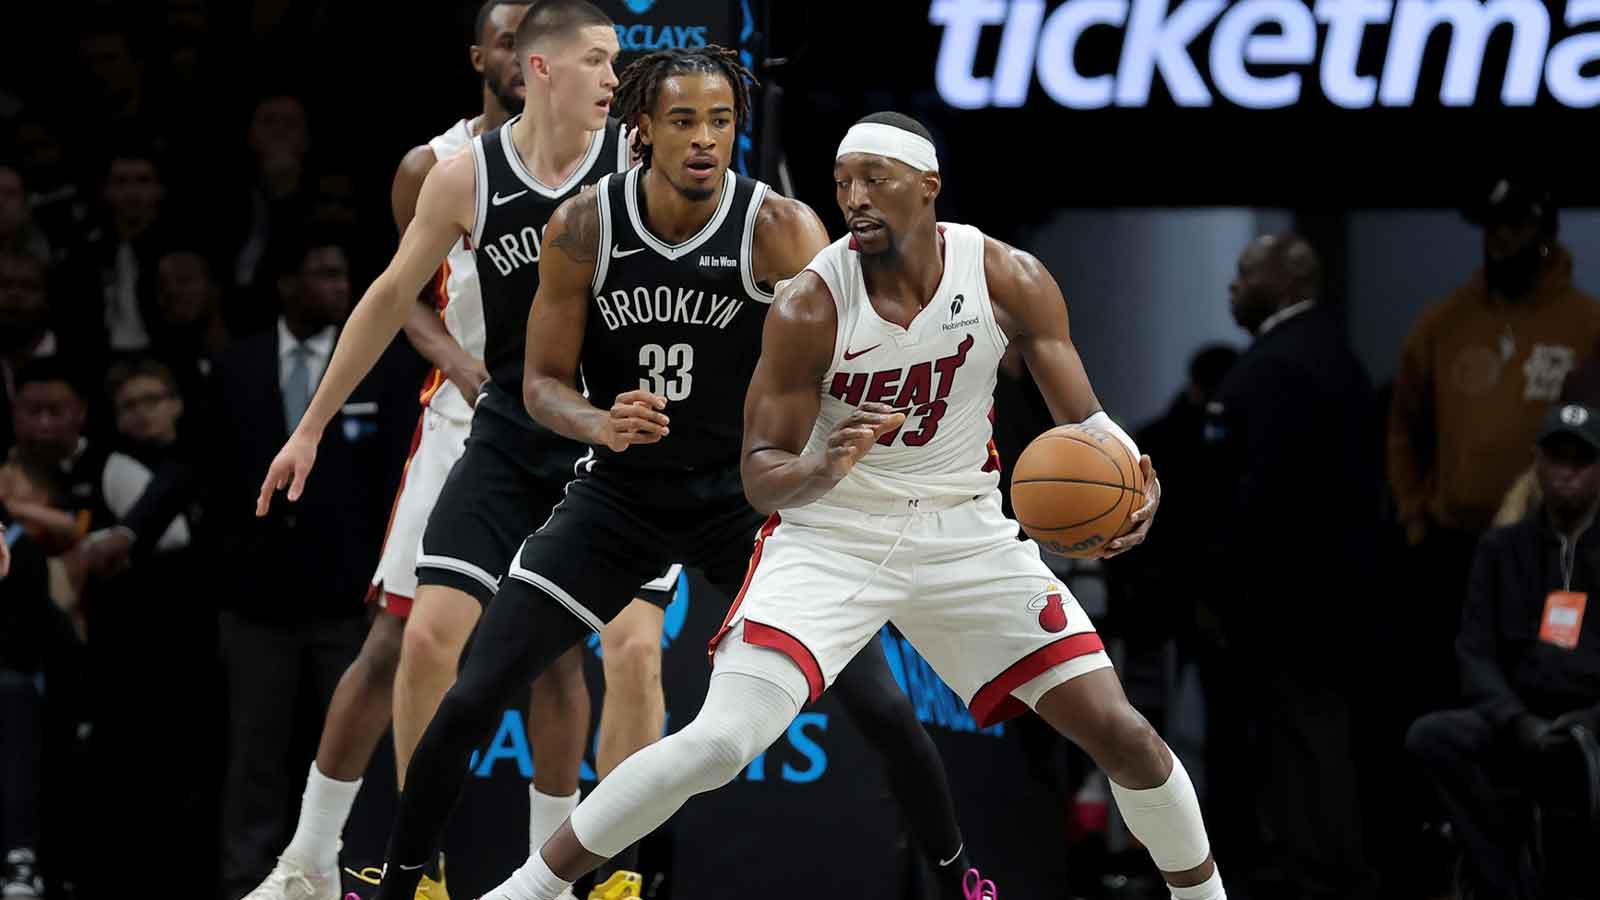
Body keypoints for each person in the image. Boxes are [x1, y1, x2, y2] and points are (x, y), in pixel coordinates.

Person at [486, 112, 1223, 900]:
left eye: (876, 178)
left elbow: (1090, 427)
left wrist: (1139, 486)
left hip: (965, 536)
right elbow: (760, 477)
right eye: (843, 183)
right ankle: (524, 893)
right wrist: (824, 463)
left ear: (929, 186)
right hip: (831, 537)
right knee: (720, 742)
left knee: (1125, 736)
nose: (855, 197)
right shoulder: (812, 304)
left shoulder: (1007, 276)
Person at [368, 64, 980, 900]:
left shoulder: (779, 227)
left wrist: (851, 453)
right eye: (684, 121)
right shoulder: (585, 225)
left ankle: (956, 879)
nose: (704, 139)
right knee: (476, 689)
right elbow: (541, 382)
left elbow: (841, 360)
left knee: (879, 702)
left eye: (721, 121)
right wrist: (599, 421)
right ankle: (404, 882)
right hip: (620, 497)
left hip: (745, 501)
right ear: (642, 131)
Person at [252, 4, 668, 898]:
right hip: (505, 428)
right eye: (599, 59)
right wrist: (312, 425)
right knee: (421, 635)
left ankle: (595, 874)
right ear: (532, 65)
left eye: (618, 61)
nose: (615, 76)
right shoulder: (454, 173)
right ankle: (408, 869)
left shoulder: (641, 161)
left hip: (615, 440)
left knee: (628, 651)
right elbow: (389, 296)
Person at [207, 229, 414, 900]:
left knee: (349, 753)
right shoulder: (235, 366)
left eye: (340, 273)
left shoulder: (383, 365)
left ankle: (348, 876)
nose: (336, 286)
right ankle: (248, 880)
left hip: (346, 600)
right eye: (320, 272)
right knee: (255, 757)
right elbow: (212, 483)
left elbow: (396, 481)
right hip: (256, 603)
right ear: (285, 283)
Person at [1203, 235, 1380, 899]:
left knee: (1305, 744)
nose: (1231, 286)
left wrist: (1223, 587)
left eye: (1245, 273)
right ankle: (1322, 869)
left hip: (1286, 601)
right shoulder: (1334, 355)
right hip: (1329, 594)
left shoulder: (1281, 366)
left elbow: (1262, 498)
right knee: (1312, 740)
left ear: (1284, 282)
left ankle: (1323, 876)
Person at [1388, 177, 1600, 707]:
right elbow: (1402, 428)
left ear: (1544, 229)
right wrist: (1416, 518)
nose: (1501, 238)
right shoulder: (1444, 322)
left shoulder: (1586, 323)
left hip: (1550, 545)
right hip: (1452, 544)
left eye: (1516, 224)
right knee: (1442, 688)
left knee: (1548, 682)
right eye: (1492, 226)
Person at [1406, 401, 1600, 900]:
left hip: (1591, 726)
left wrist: (1587, 724)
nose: (1568, 472)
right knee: (1432, 737)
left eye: (1581, 459)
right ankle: (1506, 886)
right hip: (1517, 720)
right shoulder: (1502, 549)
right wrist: (1518, 722)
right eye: (1558, 456)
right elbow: (1474, 653)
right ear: (1537, 461)